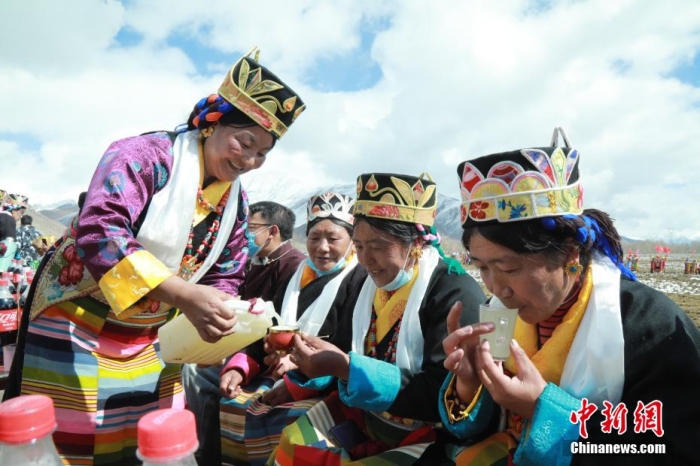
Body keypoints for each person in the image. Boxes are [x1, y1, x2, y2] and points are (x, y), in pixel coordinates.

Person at [3, 46, 306, 465]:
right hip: (79, 316)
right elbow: (101, 231)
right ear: (211, 122)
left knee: (150, 436)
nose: (250, 160)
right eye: (245, 141)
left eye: (262, 153)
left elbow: (228, 270)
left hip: (153, 335)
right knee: (74, 438)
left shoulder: (235, 202)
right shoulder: (144, 156)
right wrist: (183, 295)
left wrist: (219, 309)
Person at [438, 127, 700, 465]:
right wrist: (469, 382)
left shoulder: (650, 325)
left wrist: (543, 410)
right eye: (483, 268)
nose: (496, 289)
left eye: (509, 268)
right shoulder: (498, 312)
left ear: (570, 253)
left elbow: (673, 450)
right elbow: (488, 427)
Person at [270, 173, 486, 465]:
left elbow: (444, 391)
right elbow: (344, 347)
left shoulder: (454, 293)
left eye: (378, 246)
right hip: (365, 417)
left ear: (416, 243)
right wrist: (303, 371)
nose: (365, 259)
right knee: (293, 444)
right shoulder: (368, 285)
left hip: (429, 436)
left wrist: (350, 370)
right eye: (358, 247)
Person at [217, 192, 368, 465]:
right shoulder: (296, 275)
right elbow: (266, 328)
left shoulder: (362, 282)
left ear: (351, 241)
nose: (322, 247)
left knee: (294, 421)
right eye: (314, 238)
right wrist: (241, 366)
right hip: (276, 372)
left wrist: (297, 379)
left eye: (333, 239)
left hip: (325, 385)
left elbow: (352, 350)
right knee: (230, 400)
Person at [182, 200, 306, 465]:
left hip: (268, 353)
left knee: (197, 371)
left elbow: (275, 323)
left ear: (273, 231)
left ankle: (205, 452)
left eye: (251, 228)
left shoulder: (294, 266)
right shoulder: (257, 261)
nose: (245, 235)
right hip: (245, 345)